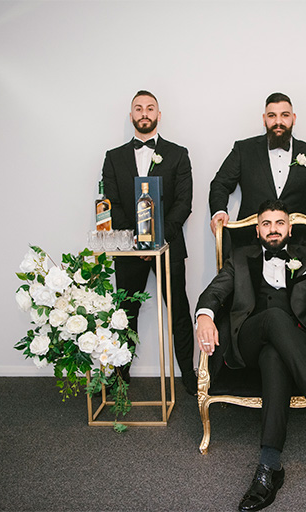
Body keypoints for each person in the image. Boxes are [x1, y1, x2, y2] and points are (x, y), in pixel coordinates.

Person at [195, 199, 306, 512]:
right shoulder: (239, 258)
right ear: (257, 230)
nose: (273, 229)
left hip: (293, 344)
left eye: (279, 223)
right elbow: (214, 291)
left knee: (275, 356)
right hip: (249, 338)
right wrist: (205, 315)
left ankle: (269, 467)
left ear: (289, 228)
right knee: (273, 316)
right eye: (266, 224)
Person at [101, 90, 197, 395]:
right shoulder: (113, 157)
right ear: (131, 115)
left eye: (150, 108)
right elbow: (112, 203)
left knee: (178, 310)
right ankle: (120, 375)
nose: (144, 113)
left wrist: (156, 240)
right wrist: (137, 241)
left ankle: (190, 374)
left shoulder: (178, 154)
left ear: (159, 115)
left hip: (168, 245)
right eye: (139, 108)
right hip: (128, 248)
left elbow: (183, 203)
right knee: (124, 312)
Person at [209, 92, 306, 235]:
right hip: (249, 240)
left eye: (285, 115)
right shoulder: (243, 150)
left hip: (298, 241)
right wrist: (219, 211)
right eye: (272, 115)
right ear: (264, 119)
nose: (278, 121)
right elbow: (220, 184)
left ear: (294, 118)